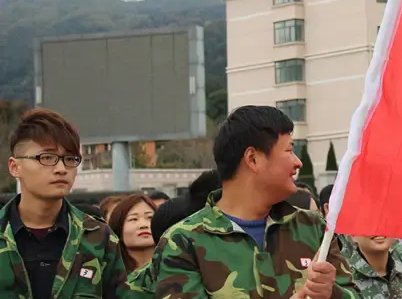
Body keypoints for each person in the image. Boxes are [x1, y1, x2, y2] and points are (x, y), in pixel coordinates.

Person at [148, 105, 359, 298]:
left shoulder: (312, 227)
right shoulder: (184, 242)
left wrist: (331, 293)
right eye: (288, 150)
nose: (298, 162)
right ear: (253, 159)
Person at [0, 108, 128, 298]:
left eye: (69, 159)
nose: (61, 169)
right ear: (15, 167)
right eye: (47, 158)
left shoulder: (98, 238)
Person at [108, 194, 157, 273]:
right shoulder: (109, 274)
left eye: (150, 217)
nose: (143, 225)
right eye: (133, 219)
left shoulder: (176, 267)